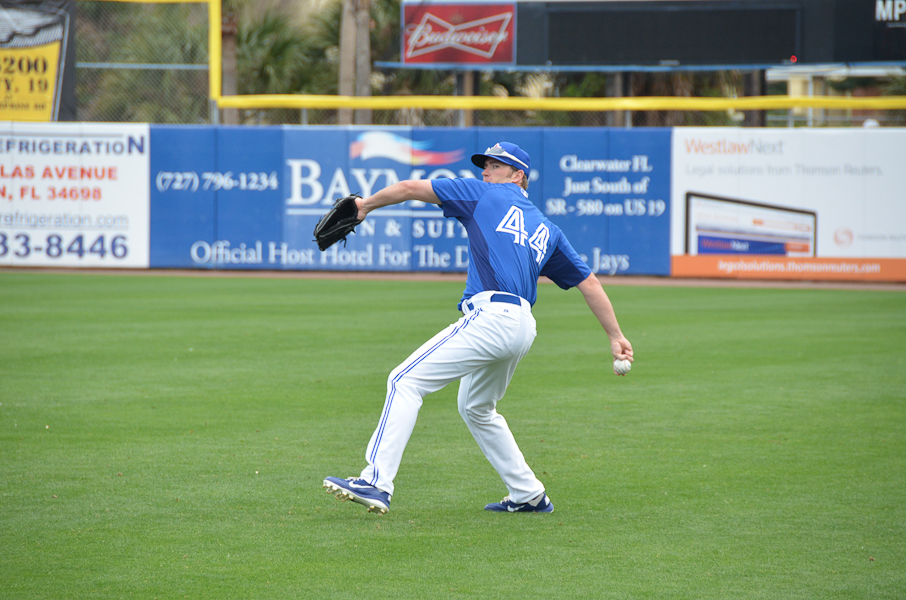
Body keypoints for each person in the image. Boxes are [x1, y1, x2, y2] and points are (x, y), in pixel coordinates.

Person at [323, 142, 633, 514]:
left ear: (518, 176)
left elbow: (408, 189)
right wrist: (615, 336)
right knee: (477, 407)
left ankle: (375, 481)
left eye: (497, 165)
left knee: (404, 381)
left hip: (492, 318)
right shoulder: (548, 230)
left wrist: (365, 205)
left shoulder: (484, 194)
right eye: (485, 164)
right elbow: (591, 284)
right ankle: (528, 494)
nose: (486, 170)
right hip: (522, 327)